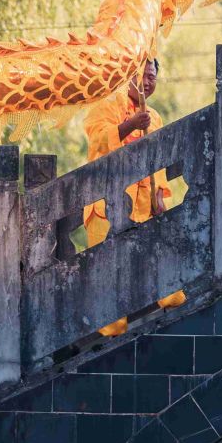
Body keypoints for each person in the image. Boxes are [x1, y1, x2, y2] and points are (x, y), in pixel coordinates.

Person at [83, 59, 185, 336]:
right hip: (107, 204)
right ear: (127, 76)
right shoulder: (106, 106)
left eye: (152, 77)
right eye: (142, 76)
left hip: (144, 203)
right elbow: (98, 143)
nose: (147, 82)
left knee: (161, 255)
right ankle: (110, 333)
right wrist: (129, 125)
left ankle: (174, 306)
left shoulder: (154, 116)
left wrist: (160, 193)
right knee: (107, 269)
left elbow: (158, 161)